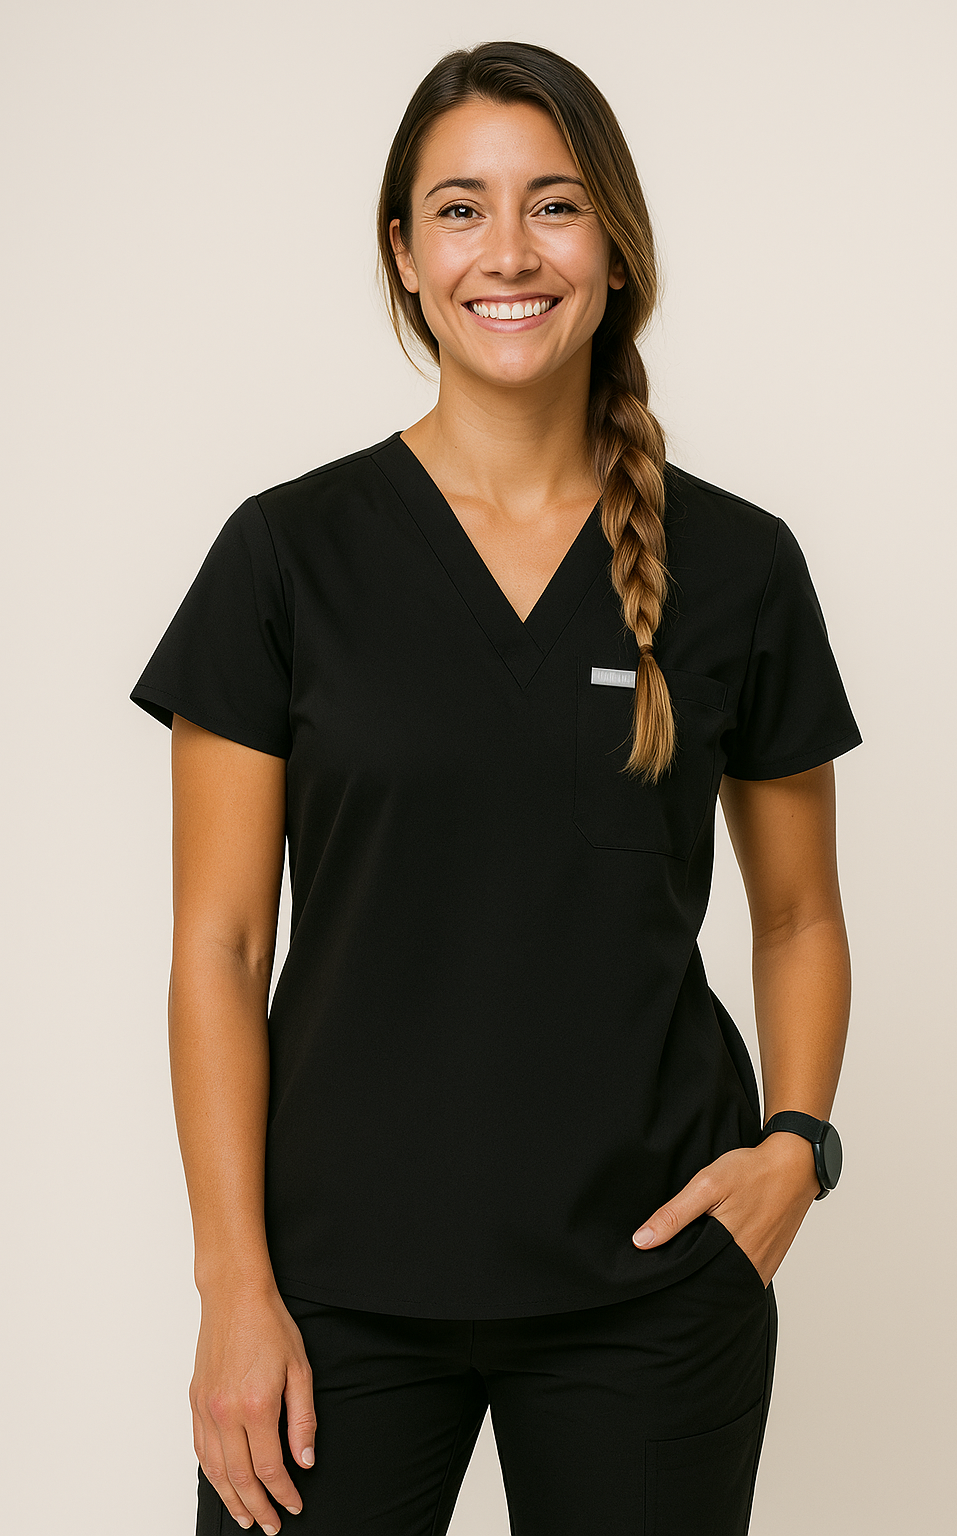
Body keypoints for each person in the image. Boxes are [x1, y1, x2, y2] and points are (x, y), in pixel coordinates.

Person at [131, 39, 861, 1536]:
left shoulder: (739, 567)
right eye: (459, 210)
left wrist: (797, 1149)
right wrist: (234, 1290)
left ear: (616, 246)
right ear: (403, 256)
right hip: (332, 1296)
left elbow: (797, 918)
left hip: (651, 1290)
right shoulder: (288, 557)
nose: (509, 252)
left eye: (556, 205)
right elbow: (218, 949)